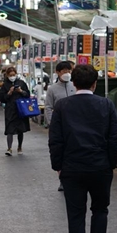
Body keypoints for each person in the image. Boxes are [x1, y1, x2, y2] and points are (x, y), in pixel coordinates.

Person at [48, 64, 117, 233]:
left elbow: (56, 140)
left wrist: (58, 166)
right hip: (100, 167)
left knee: (76, 216)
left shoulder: (62, 106)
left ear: (73, 83)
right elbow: (114, 136)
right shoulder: (106, 105)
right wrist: (110, 163)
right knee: (100, 210)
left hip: (72, 168)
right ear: (95, 83)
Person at [45, 61, 75, 191]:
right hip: (59, 126)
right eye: (64, 71)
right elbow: (48, 107)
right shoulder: (52, 89)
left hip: (75, 126)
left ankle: (73, 177)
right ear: (57, 73)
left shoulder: (75, 86)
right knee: (60, 153)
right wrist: (51, 124)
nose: (67, 74)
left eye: (69, 71)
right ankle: (62, 179)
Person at [0, 66, 31, 156]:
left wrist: (21, 91)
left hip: (21, 109)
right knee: (10, 129)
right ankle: (9, 148)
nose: (12, 76)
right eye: (10, 75)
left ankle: (19, 146)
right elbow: (1, 98)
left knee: (20, 129)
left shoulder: (22, 83)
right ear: (7, 75)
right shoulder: (5, 85)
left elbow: (27, 95)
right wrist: (9, 93)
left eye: (14, 74)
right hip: (10, 110)